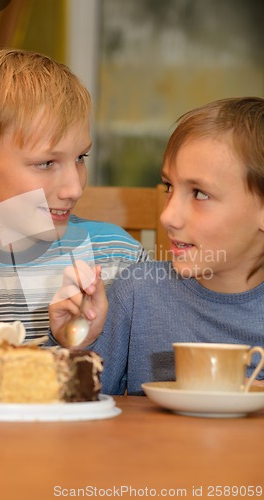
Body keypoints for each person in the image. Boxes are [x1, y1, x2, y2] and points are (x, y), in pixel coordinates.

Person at [49, 96, 264, 394]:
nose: (168, 215)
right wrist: (76, 341)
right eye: (169, 187)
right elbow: (67, 402)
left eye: (200, 193)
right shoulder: (137, 293)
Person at [0, 48, 146, 344]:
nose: (75, 188)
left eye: (81, 157)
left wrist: (74, 340)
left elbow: (133, 384)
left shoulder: (116, 261)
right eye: (46, 163)